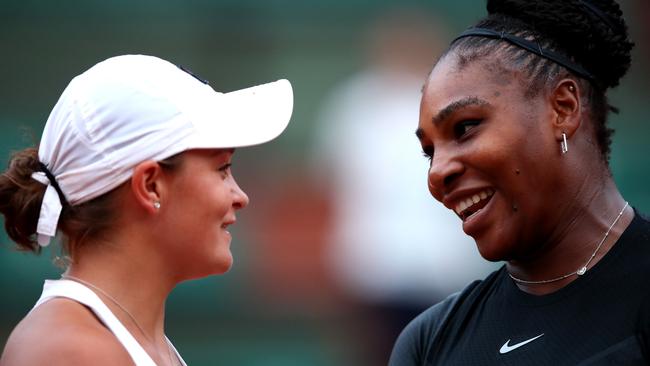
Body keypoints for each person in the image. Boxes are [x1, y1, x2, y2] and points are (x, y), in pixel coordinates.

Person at [389, 0, 650, 364]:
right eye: (429, 152)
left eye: (465, 127)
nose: (437, 173)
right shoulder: (429, 342)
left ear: (563, 107)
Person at [0, 54, 293, 365]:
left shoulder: (122, 343)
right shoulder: (69, 351)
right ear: (151, 185)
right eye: (222, 168)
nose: (240, 196)